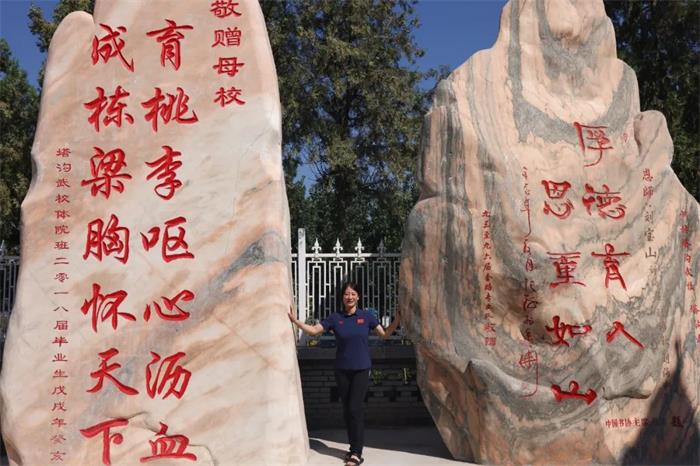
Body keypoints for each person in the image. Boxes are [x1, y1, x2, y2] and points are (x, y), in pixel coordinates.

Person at [288, 281, 400, 466]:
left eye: (353, 294)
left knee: (355, 408)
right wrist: (295, 321)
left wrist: (397, 320)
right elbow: (314, 331)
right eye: (347, 294)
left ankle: (357, 452)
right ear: (342, 297)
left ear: (358, 297)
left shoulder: (366, 316)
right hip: (342, 369)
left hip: (361, 368)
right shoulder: (335, 318)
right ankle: (352, 448)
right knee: (348, 410)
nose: (350, 297)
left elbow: (385, 334)